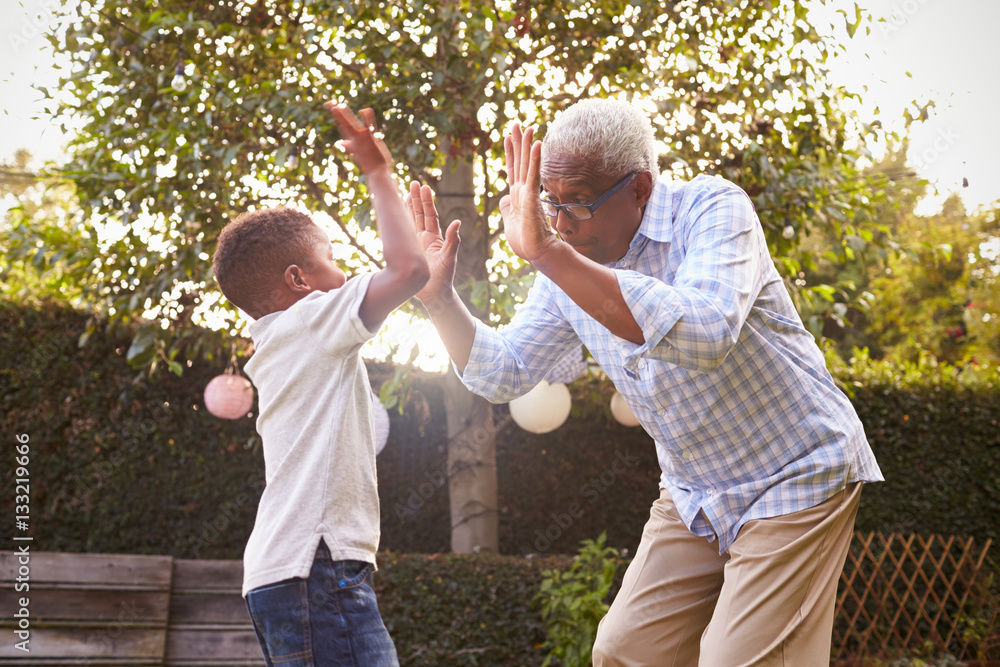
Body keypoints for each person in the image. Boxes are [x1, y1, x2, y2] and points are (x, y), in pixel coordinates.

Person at [411, 98, 883, 666]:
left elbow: (706, 333)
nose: (558, 224)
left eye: (578, 204)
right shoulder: (565, 262)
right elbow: (502, 371)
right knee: (624, 652)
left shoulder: (712, 210)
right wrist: (440, 302)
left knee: (737, 659)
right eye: (549, 203)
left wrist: (549, 256)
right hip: (695, 491)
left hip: (794, 470)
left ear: (639, 188)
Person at [211, 102, 430, 667]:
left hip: (286, 571)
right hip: (317, 564)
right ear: (299, 280)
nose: (343, 273)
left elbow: (407, 272)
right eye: (331, 259)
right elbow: (407, 272)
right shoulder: (309, 318)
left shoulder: (277, 340)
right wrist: (377, 171)